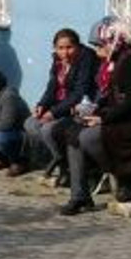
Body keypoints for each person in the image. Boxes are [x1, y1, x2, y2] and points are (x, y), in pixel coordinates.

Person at [59, 17, 131, 216]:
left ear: (114, 42)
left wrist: (104, 118)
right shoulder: (116, 61)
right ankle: (79, 196)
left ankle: (125, 178)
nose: (97, 51)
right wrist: (93, 112)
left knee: (89, 137)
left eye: (99, 45)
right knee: (74, 134)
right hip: (123, 118)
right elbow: (111, 98)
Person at [24, 28, 98, 180]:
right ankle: (61, 159)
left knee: (47, 129)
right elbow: (52, 86)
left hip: (77, 107)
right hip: (59, 104)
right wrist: (42, 105)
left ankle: (67, 165)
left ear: (77, 46)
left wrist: (54, 113)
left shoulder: (86, 60)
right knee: (30, 123)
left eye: (69, 47)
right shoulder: (57, 61)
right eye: (60, 48)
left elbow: (80, 92)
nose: (65, 52)